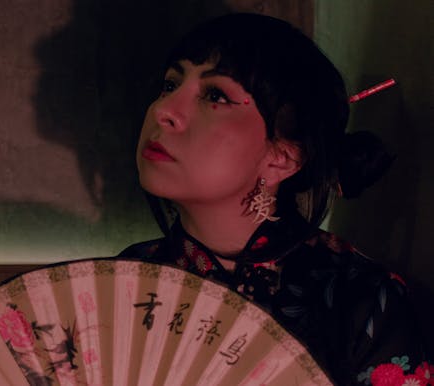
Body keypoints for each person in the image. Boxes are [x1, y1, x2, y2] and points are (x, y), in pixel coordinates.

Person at [120, 13, 432, 386]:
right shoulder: (130, 276)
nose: (163, 111)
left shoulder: (361, 299)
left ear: (282, 157)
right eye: (170, 84)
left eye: (215, 95)